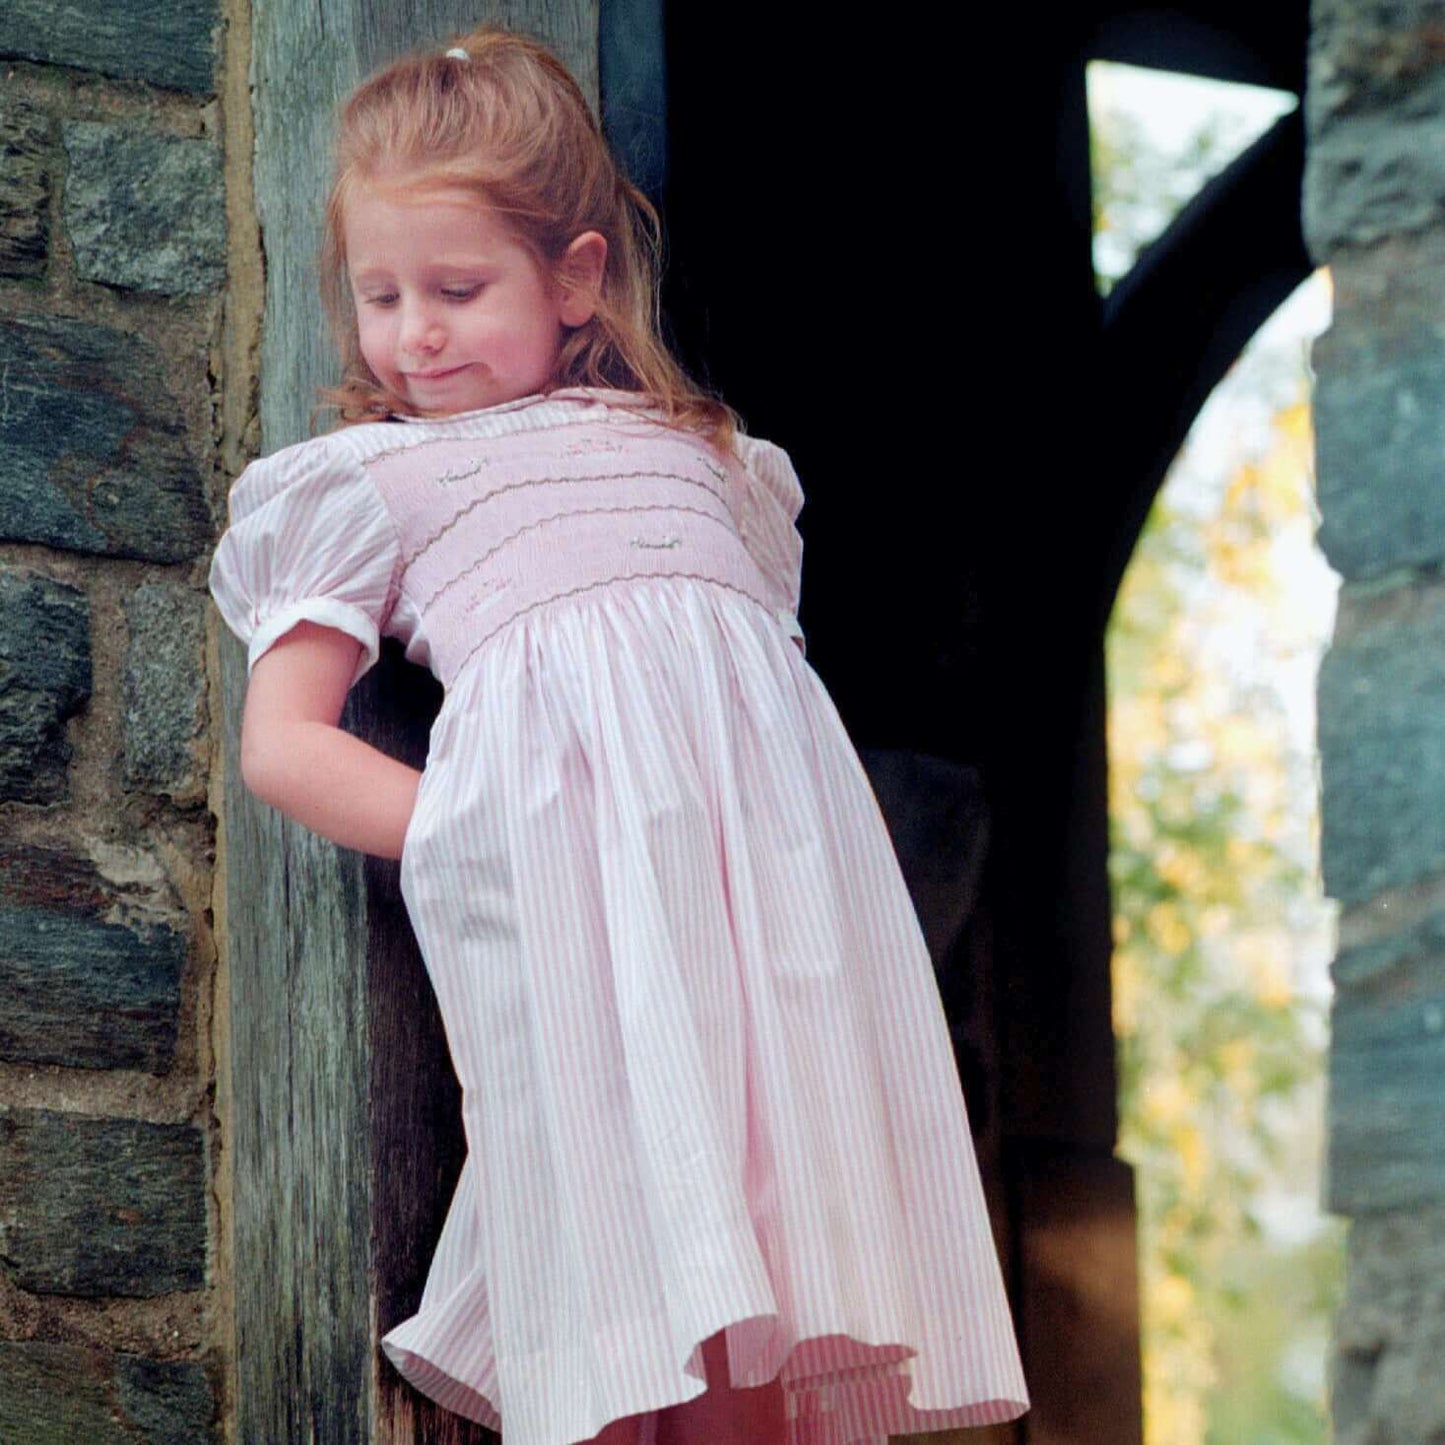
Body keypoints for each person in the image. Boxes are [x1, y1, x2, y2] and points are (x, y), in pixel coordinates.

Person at [209, 26, 1029, 1445]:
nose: (412, 333)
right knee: (625, 1251)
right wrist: (477, 826)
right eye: (380, 294)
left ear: (575, 276)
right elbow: (282, 742)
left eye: (457, 289)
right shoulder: (376, 480)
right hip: (586, 920)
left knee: (772, 1260)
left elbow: (753, 700)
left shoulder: (711, 459)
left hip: (769, 928)